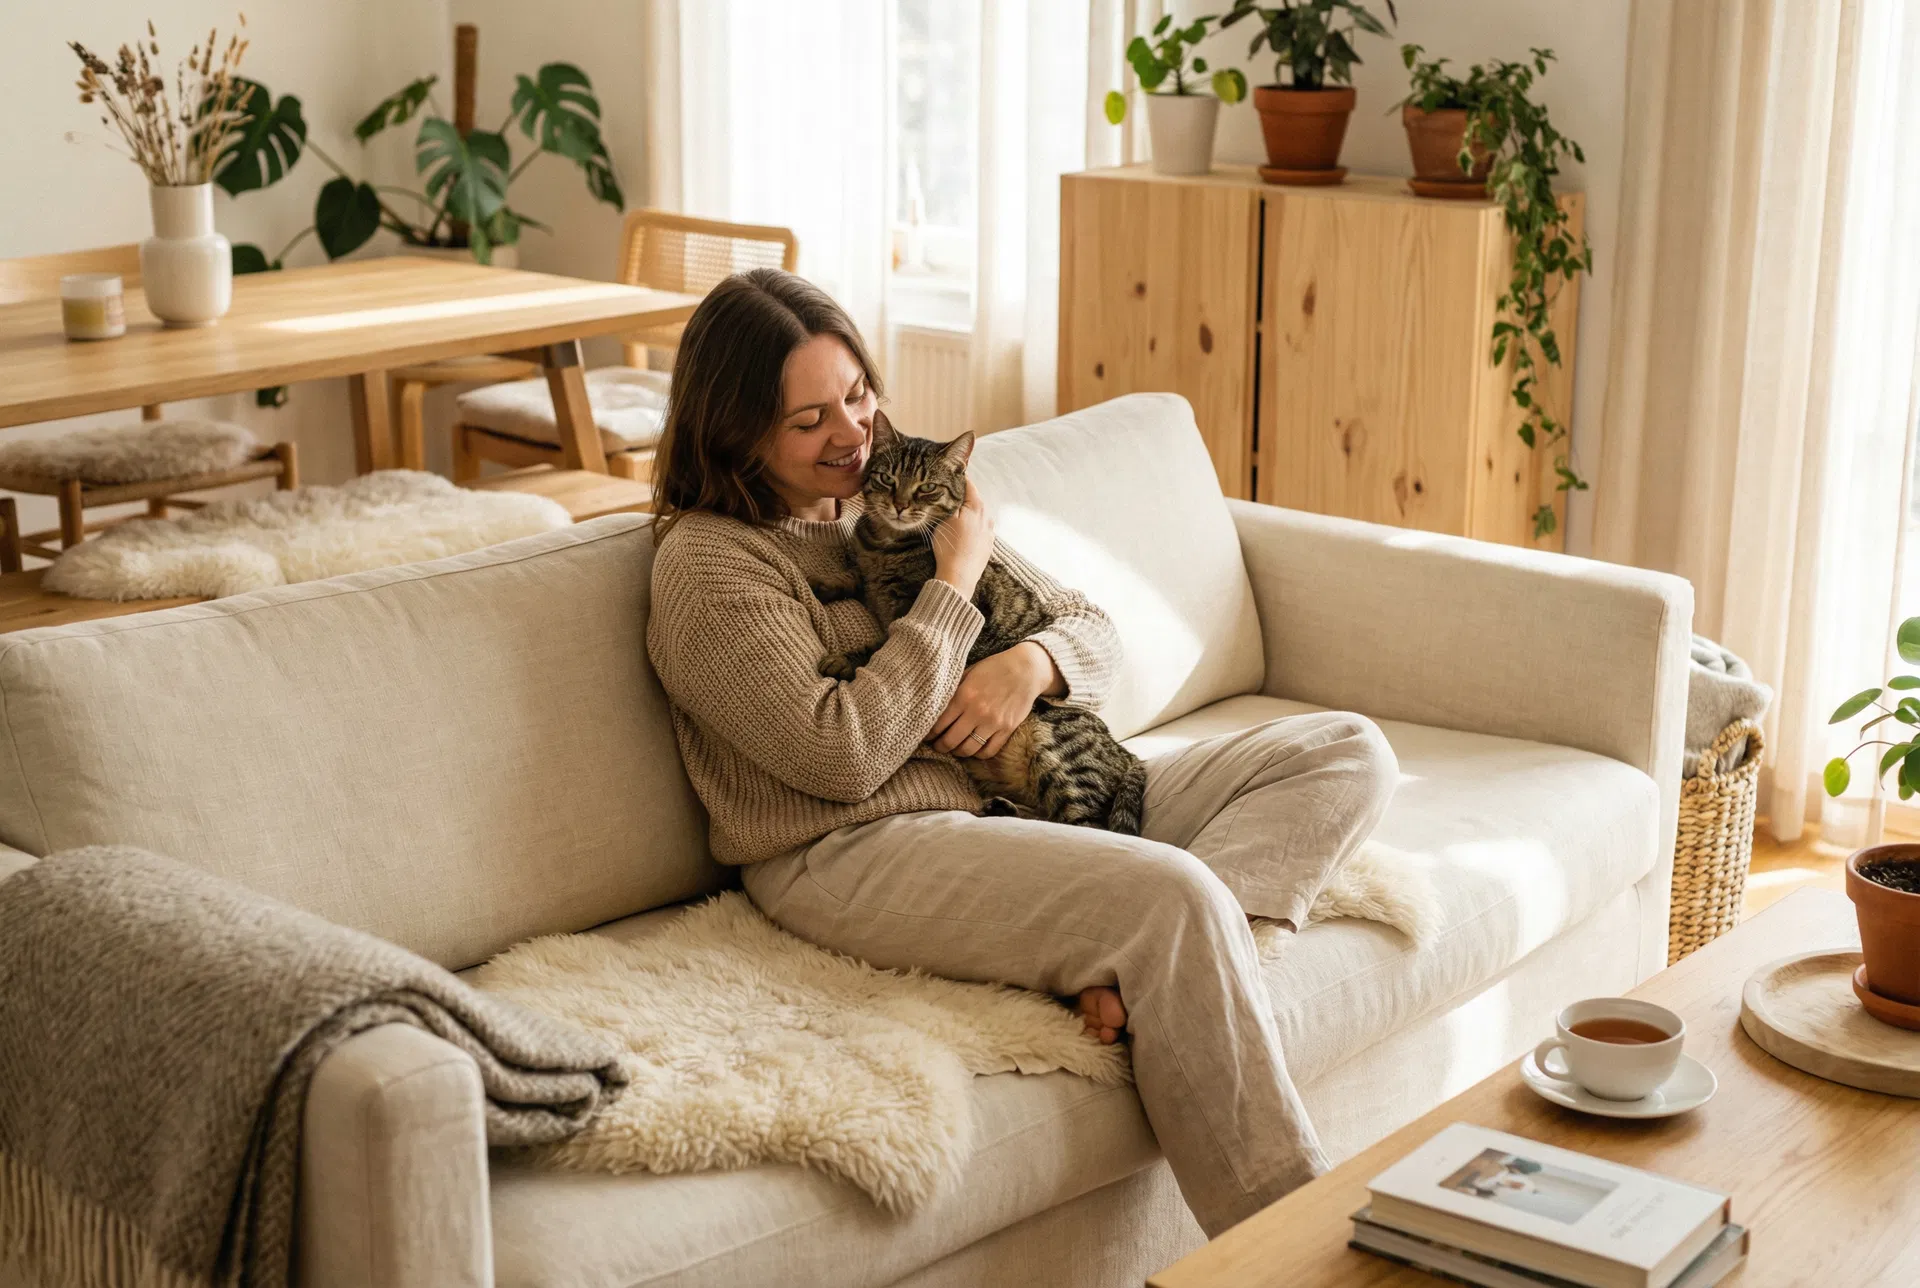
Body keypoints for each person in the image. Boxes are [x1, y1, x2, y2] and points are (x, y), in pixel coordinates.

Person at [645, 267, 1398, 1236]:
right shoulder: (710, 565)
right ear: (733, 429)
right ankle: (1291, 1251)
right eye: (808, 421)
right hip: (856, 850)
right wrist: (954, 585)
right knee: (1171, 897)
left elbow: (1092, 627)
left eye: (860, 395)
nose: (853, 433)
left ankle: (1168, 971)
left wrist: (1031, 665)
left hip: (1023, 792)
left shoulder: (895, 493)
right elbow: (841, 752)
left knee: (1345, 751)